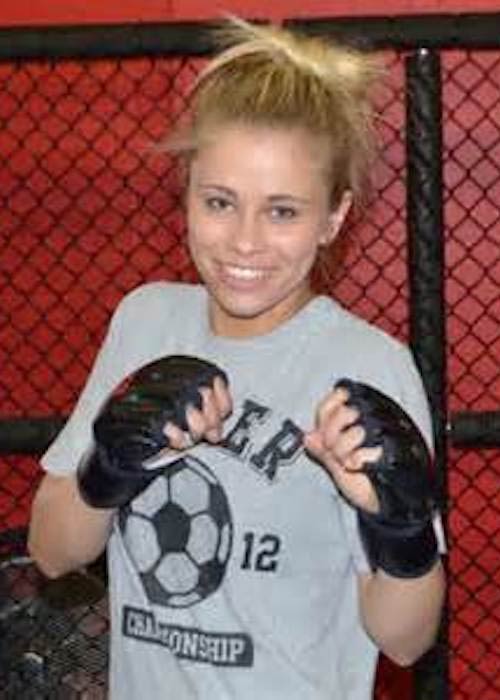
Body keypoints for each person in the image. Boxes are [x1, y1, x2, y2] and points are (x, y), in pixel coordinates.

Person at [28, 17, 445, 700]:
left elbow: (405, 638)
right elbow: (53, 550)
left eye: (282, 212)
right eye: (220, 202)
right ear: (187, 188)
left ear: (334, 217)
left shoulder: (366, 366)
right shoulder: (146, 321)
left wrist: (396, 527)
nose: (244, 243)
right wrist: (107, 467)